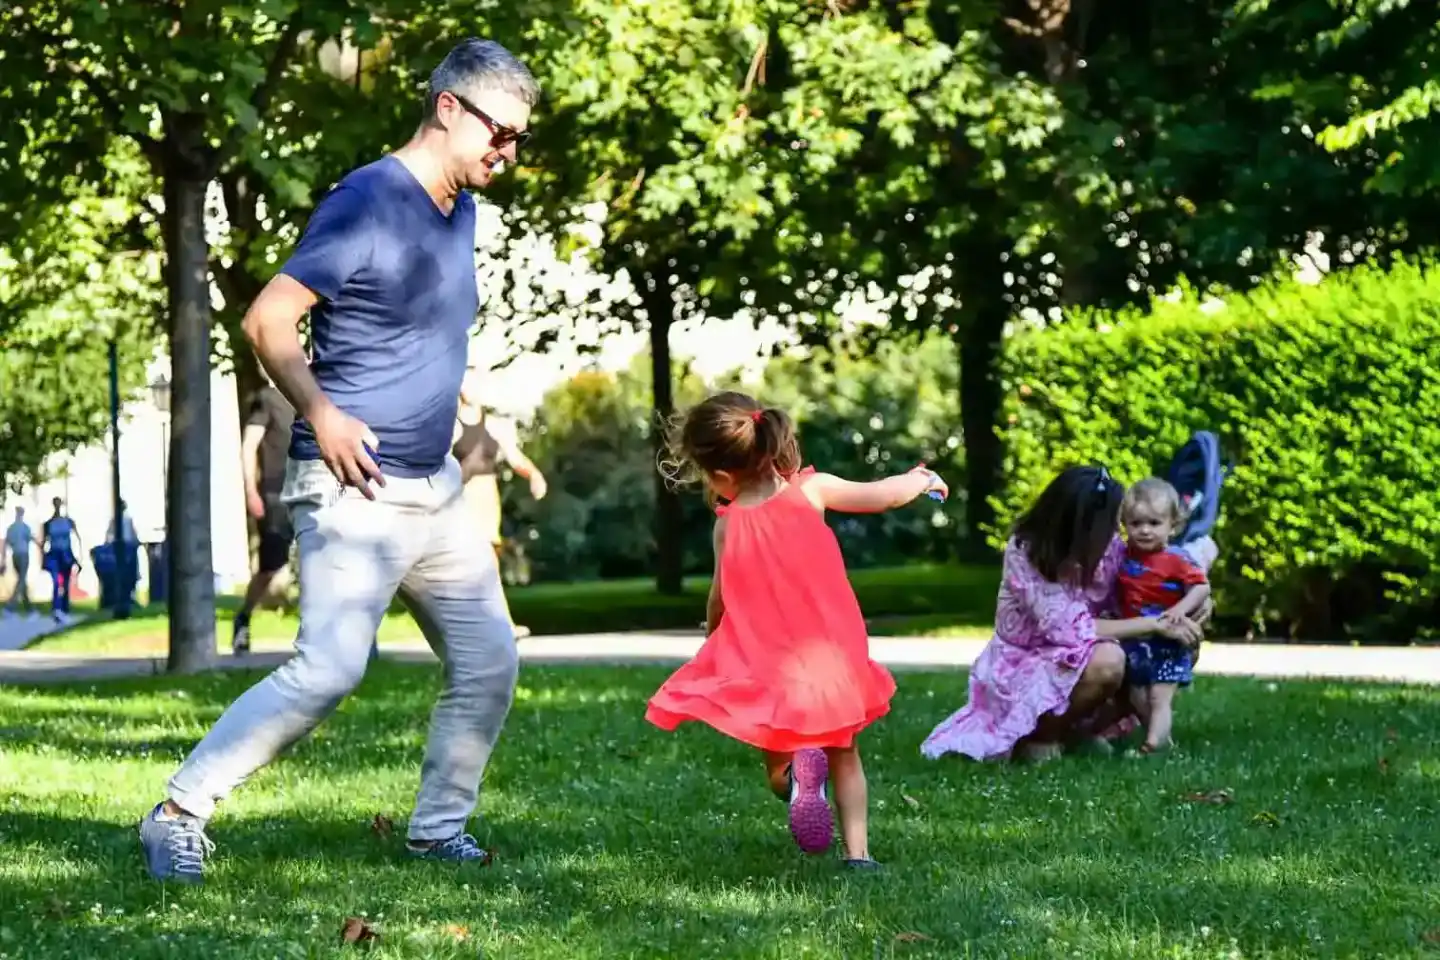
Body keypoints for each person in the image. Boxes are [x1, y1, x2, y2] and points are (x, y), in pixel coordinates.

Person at [138, 38, 540, 884]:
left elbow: (418, 333)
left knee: (490, 660)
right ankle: (177, 812)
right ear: (448, 108)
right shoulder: (367, 201)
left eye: (519, 139)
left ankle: (437, 831)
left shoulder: (460, 210)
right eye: (500, 133)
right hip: (354, 486)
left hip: (434, 487)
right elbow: (267, 320)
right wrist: (322, 412)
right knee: (329, 668)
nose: (508, 152)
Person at [645, 391, 948, 868]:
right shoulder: (813, 491)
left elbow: (719, 598)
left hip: (769, 667)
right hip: (832, 656)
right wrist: (921, 478)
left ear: (721, 475)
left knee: (779, 762)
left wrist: (712, 642)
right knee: (845, 752)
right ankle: (859, 855)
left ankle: (796, 782)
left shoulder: (728, 526)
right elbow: (884, 495)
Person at [920, 466, 1206, 765]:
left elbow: (1155, 573)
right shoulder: (1027, 550)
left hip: (1089, 645)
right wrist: (1154, 624)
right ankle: (1043, 735)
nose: (1117, 532)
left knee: (1165, 647)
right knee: (1109, 660)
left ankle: (1084, 732)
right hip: (1033, 658)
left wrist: (1192, 605)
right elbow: (1068, 629)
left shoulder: (1107, 544)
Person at [1114, 477, 1211, 754]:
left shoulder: (1177, 559)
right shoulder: (1123, 557)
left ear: (1173, 526)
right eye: (1136, 523)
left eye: (1154, 523)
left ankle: (1152, 743)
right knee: (1136, 695)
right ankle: (1161, 741)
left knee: (1159, 696)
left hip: (1169, 640)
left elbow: (1201, 587)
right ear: (1125, 524)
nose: (1145, 530)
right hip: (1136, 640)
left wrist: (1180, 610)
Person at [453, 367, 547, 635]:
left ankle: (499, 623)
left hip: (487, 498)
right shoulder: (450, 425)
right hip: (461, 498)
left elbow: (514, 457)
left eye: (477, 383)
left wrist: (534, 475)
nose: (472, 388)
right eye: (467, 382)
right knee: (464, 563)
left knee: (489, 563)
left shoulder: (493, 425)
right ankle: (476, 624)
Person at [232, 381, 297, 655]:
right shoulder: (268, 399)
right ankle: (243, 618)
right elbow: (249, 446)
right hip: (275, 494)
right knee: (271, 566)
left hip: (311, 489)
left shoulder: (315, 395)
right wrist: (251, 491)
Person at [40, 497, 81, 623]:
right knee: (57, 581)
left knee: (66, 582)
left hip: (66, 553)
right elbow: (44, 543)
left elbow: (77, 538)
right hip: (54, 554)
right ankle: (57, 609)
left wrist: (78, 557)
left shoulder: (69, 522)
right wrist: (43, 558)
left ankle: (65, 608)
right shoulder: (49, 524)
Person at [2, 507, 38, 616]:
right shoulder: (25, 527)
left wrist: (3, 560)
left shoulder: (11, 528)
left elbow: (6, 544)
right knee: (21, 580)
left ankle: (30, 609)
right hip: (23, 555)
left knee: (22, 581)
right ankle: (10, 607)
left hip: (15, 556)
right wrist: (40, 545)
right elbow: (31, 538)